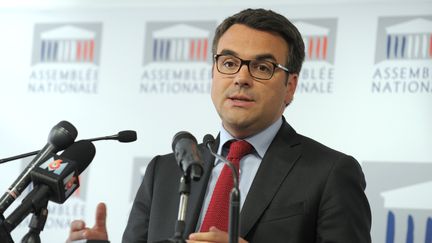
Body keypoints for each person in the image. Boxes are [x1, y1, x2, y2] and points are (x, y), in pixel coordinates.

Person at [67, 8, 371, 243]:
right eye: (228, 63)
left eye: (262, 67)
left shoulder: (330, 173)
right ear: (213, 72)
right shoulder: (166, 171)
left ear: (290, 86)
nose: (241, 77)